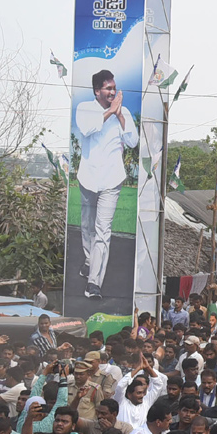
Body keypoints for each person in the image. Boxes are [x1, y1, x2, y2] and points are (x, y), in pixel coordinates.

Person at [75, 69, 139, 301]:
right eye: (108, 88)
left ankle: (94, 283)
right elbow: (86, 129)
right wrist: (109, 113)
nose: (112, 92)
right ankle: (89, 260)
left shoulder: (125, 112)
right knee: (87, 227)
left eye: (114, 88)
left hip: (112, 179)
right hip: (88, 178)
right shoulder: (85, 109)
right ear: (97, 91)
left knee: (103, 232)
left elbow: (132, 142)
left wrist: (120, 115)